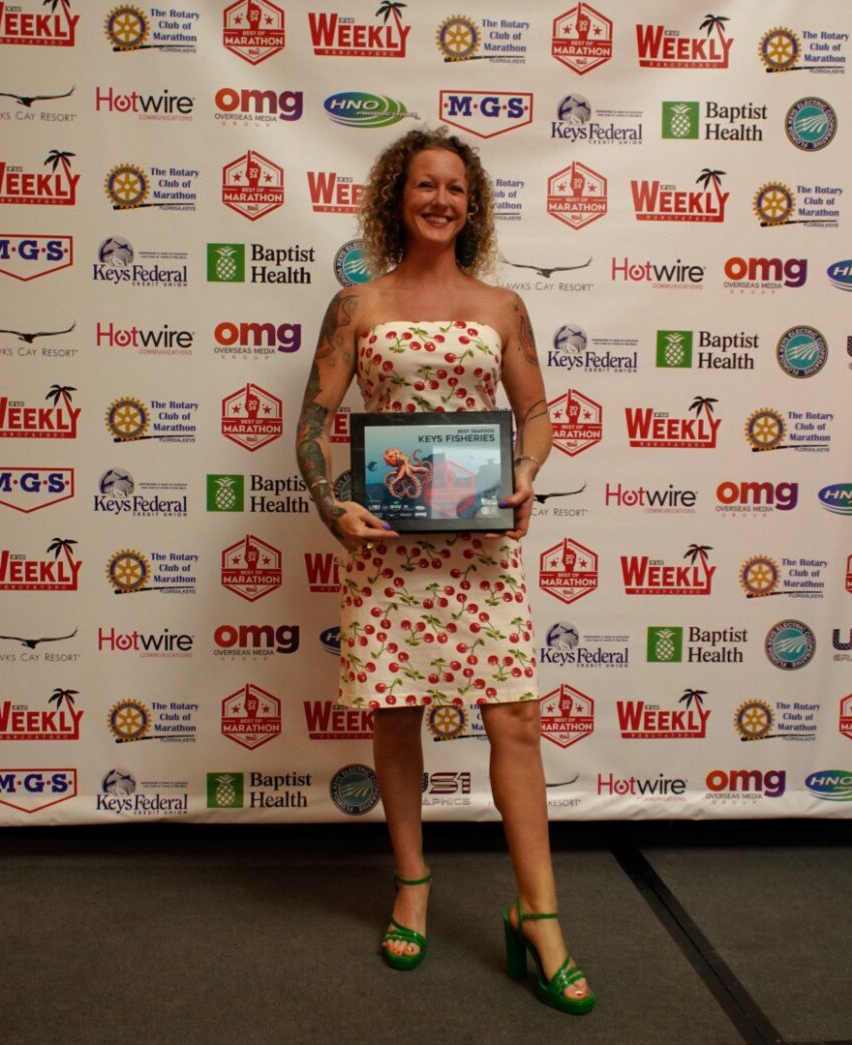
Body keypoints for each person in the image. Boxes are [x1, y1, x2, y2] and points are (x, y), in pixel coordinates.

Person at [295, 128, 594, 1014]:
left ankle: (538, 913)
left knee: (515, 722)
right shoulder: (355, 305)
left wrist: (528, 471)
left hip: (479, 545)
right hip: (387, 547)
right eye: (423, 185)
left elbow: (534, 416)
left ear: (472, 205)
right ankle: (412, 882)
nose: (439, 199)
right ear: (397, 197)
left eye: (455, 188)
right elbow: (311, 427)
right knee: (393, 721)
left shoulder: (502, 306)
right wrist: (330, 504)